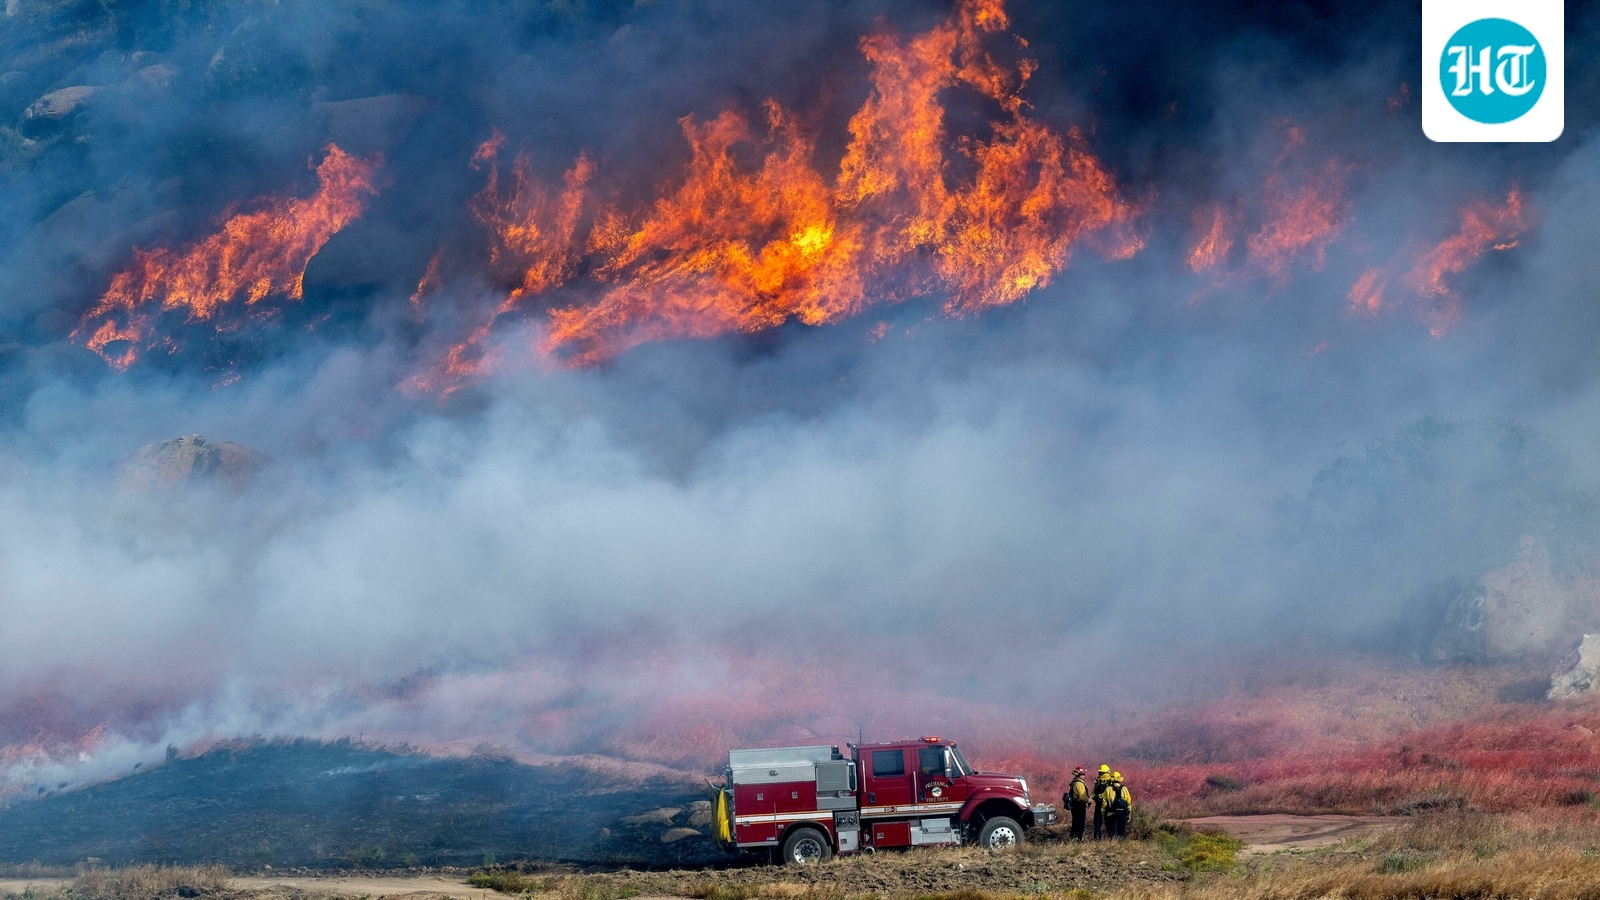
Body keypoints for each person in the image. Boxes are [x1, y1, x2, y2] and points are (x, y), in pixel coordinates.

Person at [1063, 766, 1090, 841]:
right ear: (1079, 775)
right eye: (1083, 774)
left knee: (1075, 822)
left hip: (1075, 806)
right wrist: (1088, 800)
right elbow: (1082, 796)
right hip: (1079, 805)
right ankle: (1078, 839)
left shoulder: (1075, 782)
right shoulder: (1079, 784)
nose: (1084, 776)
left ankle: (1073, 837)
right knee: (1080, 823)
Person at [1107, 772, 1133, 839]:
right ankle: (1121, 846)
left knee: (1113, 833)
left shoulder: (1108, 789)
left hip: (1112, 814)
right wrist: (1129, 813)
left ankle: (1113, 846)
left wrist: (1103, 813)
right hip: (1123, 813)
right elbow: (1128, 802)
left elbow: (1104, 803)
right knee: (1121, 832)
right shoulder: (1124, 789)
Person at [1091, 764, 1112, 840]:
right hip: (1098, 806)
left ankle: (1112, 839)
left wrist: (1100, 796)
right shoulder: (1097, 782)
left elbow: (1110, 794)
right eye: (1100, 773)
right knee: (1097, 824)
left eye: (1102, 773)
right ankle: (1097, 839)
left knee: (1109, 824)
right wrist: (1095, 797)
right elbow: (1093, 793)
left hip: (1108, 807)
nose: (1100, 774)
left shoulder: (1111, 783)